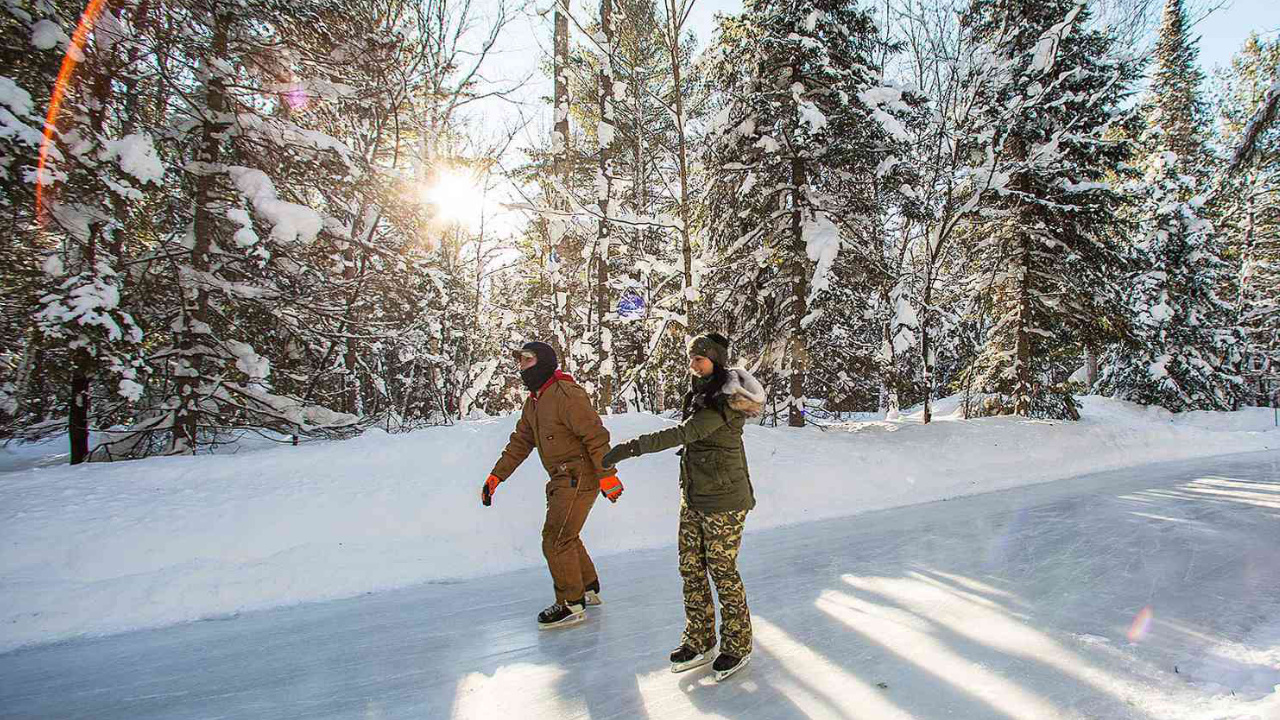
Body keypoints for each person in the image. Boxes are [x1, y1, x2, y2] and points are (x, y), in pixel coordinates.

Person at [602, 332, 764, 681]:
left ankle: (737, 643)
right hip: (694, 494)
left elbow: (682, 434)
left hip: (724, 499)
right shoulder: (703, 392)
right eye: (691, 358)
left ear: (715, 361)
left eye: (700, 359)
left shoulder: (725, 400)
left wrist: (628, 449)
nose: (693, 364)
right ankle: (700, 637)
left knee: (721, 569)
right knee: (691, 566)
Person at [481, 341, 625, 629]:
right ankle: (587, 587)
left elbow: (595, 436)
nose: (522, 366)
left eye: (528, 360)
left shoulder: (565, 394)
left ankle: (570, 603)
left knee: (555, 539)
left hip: (579, 475)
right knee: (566, 534)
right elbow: (521, 440)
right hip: (562, 476)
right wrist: (497, 476)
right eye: (520, 360)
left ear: (544, 362)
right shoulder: (535, 399)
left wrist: (607, 475)